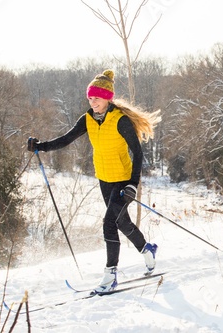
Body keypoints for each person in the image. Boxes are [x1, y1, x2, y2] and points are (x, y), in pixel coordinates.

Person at [27, 69, 161, 293]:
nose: (92, 102)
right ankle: (147, 249)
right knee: (121, 223)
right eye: (90, 98)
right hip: (104, 180)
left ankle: (110, 276)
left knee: (109, 223)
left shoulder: (121, 120)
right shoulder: (88, 119)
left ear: (107, 97)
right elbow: (66, 139)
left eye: (96, 98)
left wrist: (132, 185)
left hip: (122, 181)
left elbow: (138, 153)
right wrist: (41, 146)